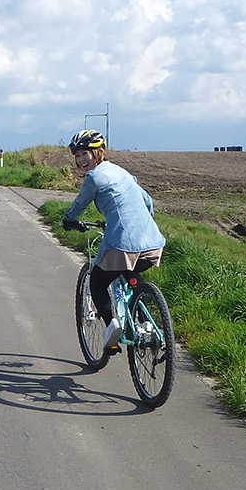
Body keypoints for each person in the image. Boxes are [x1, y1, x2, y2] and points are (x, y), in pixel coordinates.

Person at [60, 129, 166, 355]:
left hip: (123, 242)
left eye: (85, 154)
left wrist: (68, 219)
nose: (80, 160)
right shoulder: (123, 173)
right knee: (131, 276)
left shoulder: (94, 178)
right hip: (153, 241)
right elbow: (147, 202)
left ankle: (112, 329)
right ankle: (144, 325)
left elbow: (79, 205)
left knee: (97, 282)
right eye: (77, 155)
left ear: (99, 152)